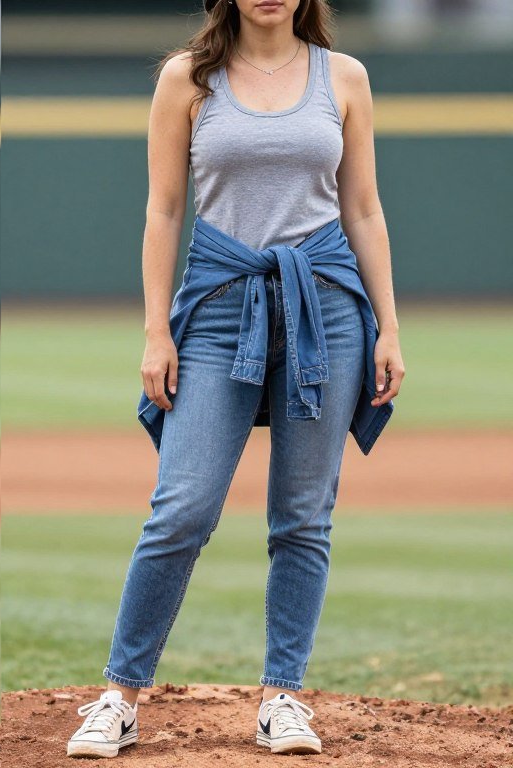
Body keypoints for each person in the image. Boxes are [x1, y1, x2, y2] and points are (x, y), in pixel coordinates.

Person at [66, 0, 403, 758]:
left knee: (304, 516)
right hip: (219, 305)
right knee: (181, 509)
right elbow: (163, 210)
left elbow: (363, 208)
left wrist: (388, 325)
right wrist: (157, 331)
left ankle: (282, 698)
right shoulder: (187, 78)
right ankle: (120, 697)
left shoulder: (344, 77)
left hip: (327, 306)